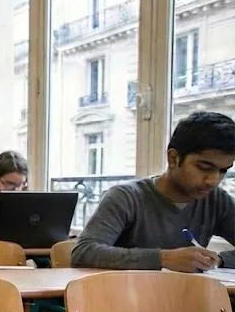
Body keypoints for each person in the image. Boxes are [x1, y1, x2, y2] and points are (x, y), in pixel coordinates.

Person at [72, 112, 235, 272]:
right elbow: (84, 252)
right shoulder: (126, 197)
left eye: (223, 171)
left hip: (186, 294)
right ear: (173, 159)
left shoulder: (217, 200)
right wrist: (164, 259)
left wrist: (217, 260)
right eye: (204, 167)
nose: (213, 180)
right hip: (125, 294)